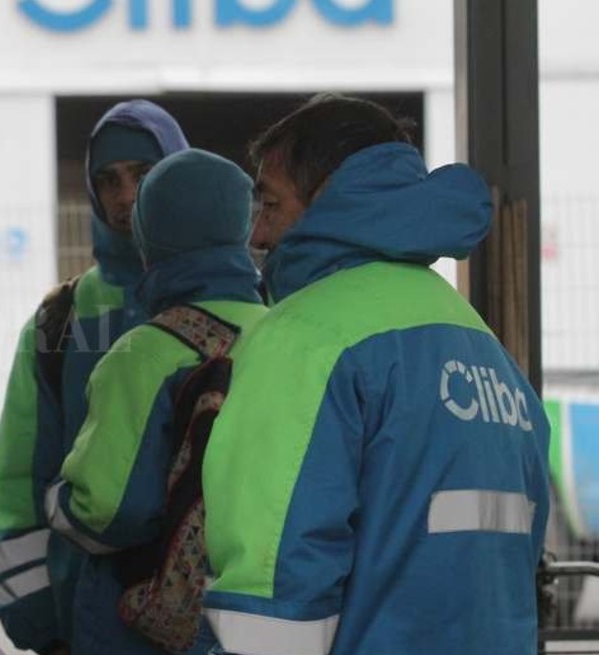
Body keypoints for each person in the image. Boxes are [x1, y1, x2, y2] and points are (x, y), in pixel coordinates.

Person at [201, 94, 551, 655]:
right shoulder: (483, 346)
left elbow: (272, 594)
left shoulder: (304, 336)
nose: (258, 235)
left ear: (330, 196)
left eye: (269, 203)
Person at [0, 100, 189, 654]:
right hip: (88, 626)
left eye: (144, 174)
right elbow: (19, 483)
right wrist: (40, 626)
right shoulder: (60, 320)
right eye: (108, 180)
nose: (125, 196)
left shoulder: (244, 304)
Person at [47, 148, 266, 655]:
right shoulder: (280, 333)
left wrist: (57, 501)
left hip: (146, 632)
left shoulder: (145, 353)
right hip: (254, 612)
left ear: (148, 237)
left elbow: (109, 510)